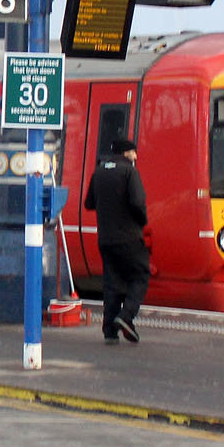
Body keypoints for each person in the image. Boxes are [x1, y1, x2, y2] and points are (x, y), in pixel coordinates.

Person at [83, 137, 150, 344]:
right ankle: (126, 315)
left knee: (112, 284)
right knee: (140, 275)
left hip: (106, 239)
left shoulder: (99, 171)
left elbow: (89, 203)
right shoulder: (130, 172)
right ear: (125, 153)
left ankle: (109, 330)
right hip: (129, 237)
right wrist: (142, 221)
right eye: (133, 152)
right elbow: (138, 203)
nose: (136, 156)